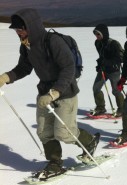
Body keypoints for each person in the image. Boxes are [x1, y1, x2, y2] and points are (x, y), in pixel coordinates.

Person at [0, 9, 100, 179]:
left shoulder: (52, 41)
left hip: (65, 92)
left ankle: (89, 141)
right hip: (44, 93)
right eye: (16, 30)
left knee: (63, 132)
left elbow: (68, 68)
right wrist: (6, 77)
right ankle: (54, 162)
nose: (18, 32)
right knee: (44, 131)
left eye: (20, 29)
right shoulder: (26, 46)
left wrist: (55, 92)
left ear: (30, 26)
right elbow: (24, 68)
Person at [90, 24, 124, 117]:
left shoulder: (113, 43)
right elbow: (101, 56)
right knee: (96, 88)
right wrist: (99, 64)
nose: (96, 36)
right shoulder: (97, 43)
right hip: (103, 70)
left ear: (104, 34)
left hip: (114, 71)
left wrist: (108, 62)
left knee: (116, 90)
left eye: (98, 34)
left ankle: (122, 108)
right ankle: (101, 107)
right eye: (95, 34)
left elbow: (121, 57)